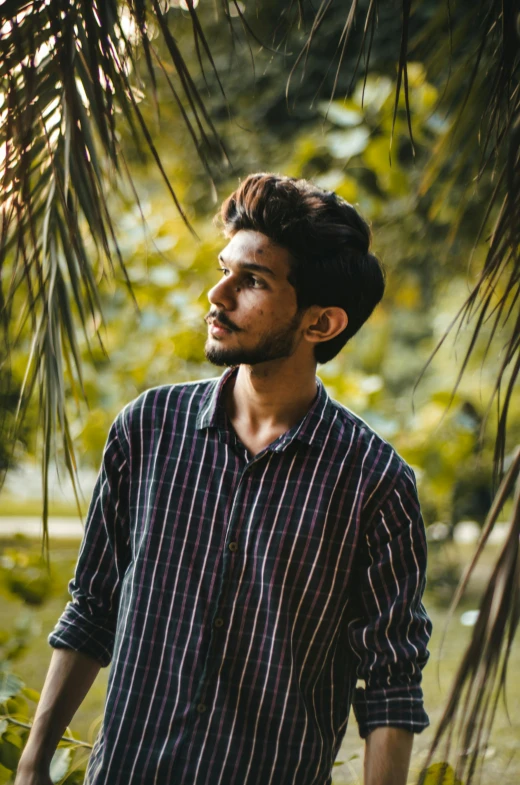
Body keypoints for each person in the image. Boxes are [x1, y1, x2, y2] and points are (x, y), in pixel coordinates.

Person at [15, 173, 432, 785]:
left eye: (253, 281)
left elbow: (391, 679)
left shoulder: (374, 483)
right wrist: (32, 767)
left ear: (322, 324)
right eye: (224, 268)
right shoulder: (147, 430)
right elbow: (93, 607)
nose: (217, 293)